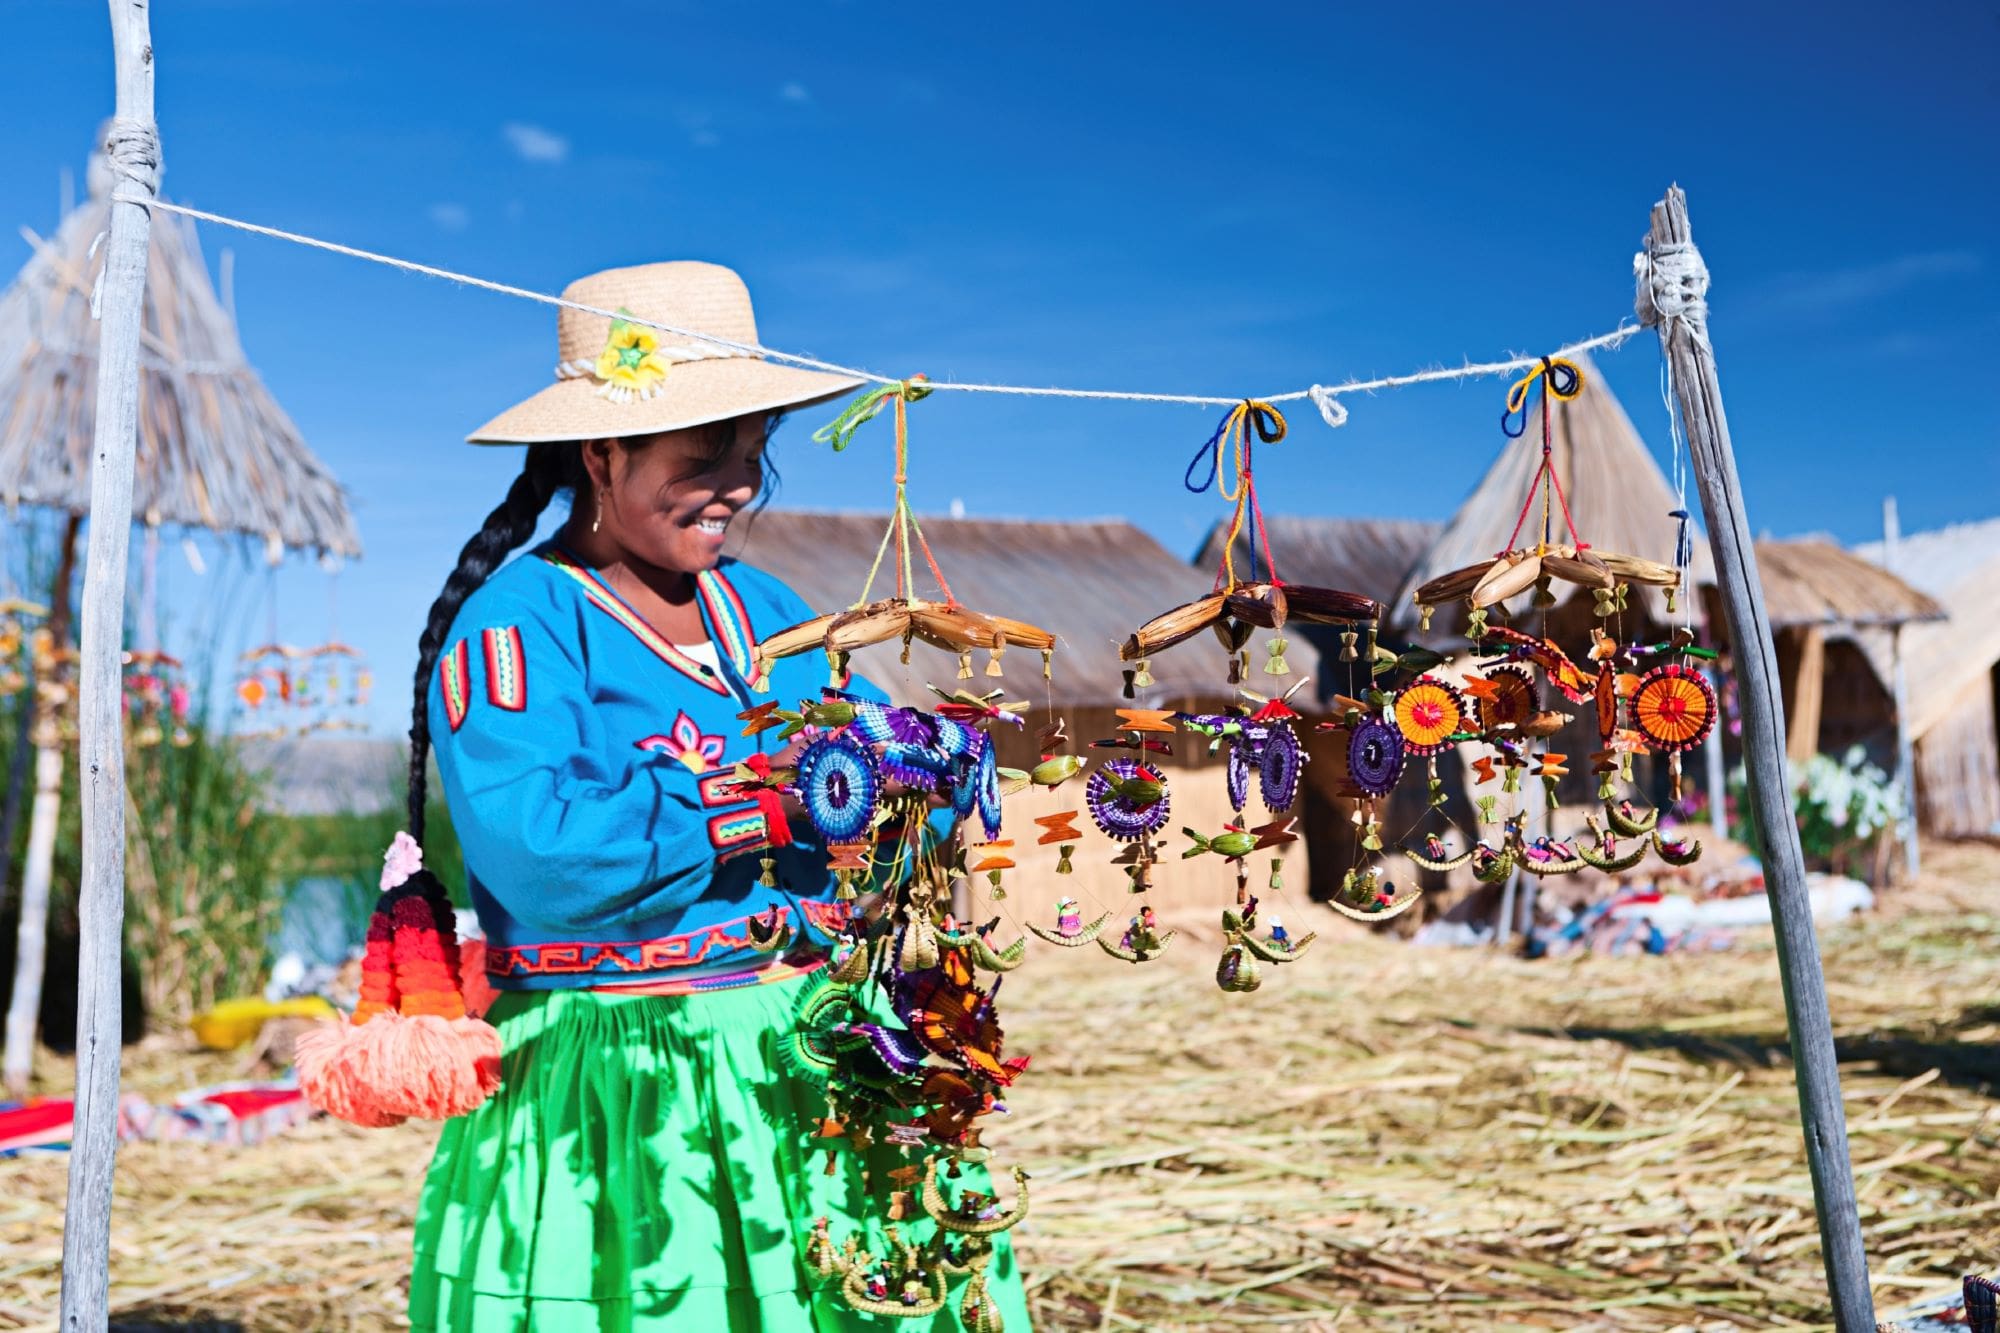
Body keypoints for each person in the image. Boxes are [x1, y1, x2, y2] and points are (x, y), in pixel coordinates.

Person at [350, 262, 1032, 1331]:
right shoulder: (517, 625)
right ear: (600, 452)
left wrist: (921, 776)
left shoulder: (762, 607)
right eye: (700, 460)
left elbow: (848, 772)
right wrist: (762, 806)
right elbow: (543, 851)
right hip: (621, 1076)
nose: (735, 490)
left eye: (752, 460)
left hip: (809, 1052)